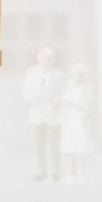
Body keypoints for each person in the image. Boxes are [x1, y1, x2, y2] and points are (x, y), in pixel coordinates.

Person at [21, 47, 64, 183]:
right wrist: (33, 98)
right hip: (37, 113)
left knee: (54, 144)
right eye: (45, 58)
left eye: (50, 58)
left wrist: (56, 103)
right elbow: (25, 91)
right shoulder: (32, 73)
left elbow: (63, 92)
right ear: (39, 59)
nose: (48, 61)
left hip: (53, 114)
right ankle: (40, 171)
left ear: (53, 60)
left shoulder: (59, 74)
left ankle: (55, 171)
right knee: (39, 144)